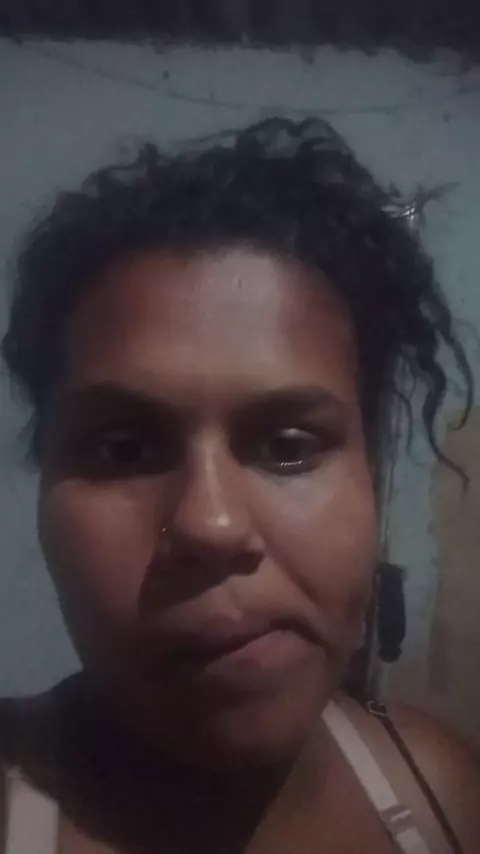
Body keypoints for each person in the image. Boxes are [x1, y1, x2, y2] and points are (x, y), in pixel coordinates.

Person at [0, 117, 479, 854]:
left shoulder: (445, 795)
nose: (211, 525)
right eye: (124, 449)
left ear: (371, 476)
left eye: (288, 447)